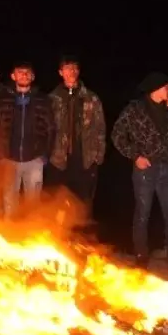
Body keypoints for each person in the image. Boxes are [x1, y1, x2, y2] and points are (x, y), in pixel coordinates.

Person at [111, 73, 168, 269]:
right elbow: (117, 135)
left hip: (167, 168)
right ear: (156, 88)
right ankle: (141, 257)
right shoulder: (135, 109)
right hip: (145, 169)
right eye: (167, 87)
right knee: (142, 214)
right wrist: (135, 156)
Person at [0, 63, 54, 219]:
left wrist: (45, 154)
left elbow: (51, 129)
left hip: (34, 160)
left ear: (32, 77)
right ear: (13, 76)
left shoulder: (42, 99)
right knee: (10, 203)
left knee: (33, 204)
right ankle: (10, 235)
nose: (24, 75)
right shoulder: (2, 98)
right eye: (20, 72)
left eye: (27, 73)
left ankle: (32, 235)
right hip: (9, 160)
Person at [48, 54, 107, 216]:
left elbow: (100, 127)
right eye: (67, 68)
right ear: (60, 72)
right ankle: (58, 237)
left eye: (74, 68)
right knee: (58, 201)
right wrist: (47, 153)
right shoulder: (53, 98)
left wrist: (98, 156)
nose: (71, 72)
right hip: (59, 159)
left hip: (85, 159)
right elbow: (46, 128)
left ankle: (82, 238)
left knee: (83, 202)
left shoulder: (91, 98)